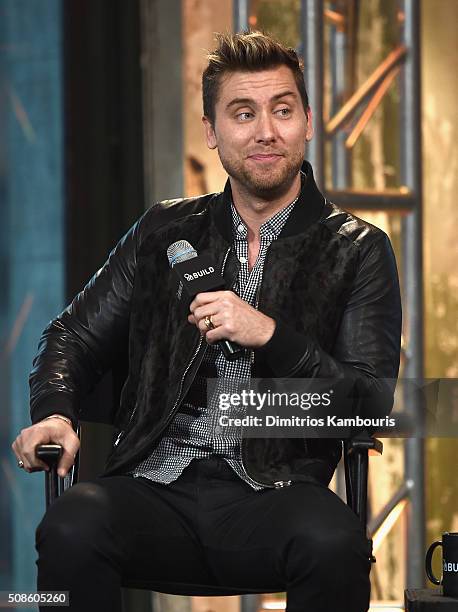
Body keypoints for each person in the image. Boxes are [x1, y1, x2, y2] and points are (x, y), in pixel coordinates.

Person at [11, 31, 401, 612]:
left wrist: (269, 334)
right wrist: (54, 414)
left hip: (277, 490)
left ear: (309, 122)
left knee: (333, 541)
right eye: (243, 114)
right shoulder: (163, 232)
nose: (266, 131)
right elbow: (71, 336)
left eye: (283, 110)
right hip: (154, 486)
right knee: (73, 527)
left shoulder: (357, 248)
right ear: (213, 132)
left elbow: (368, 401)